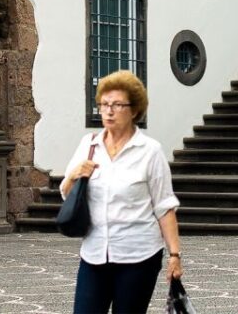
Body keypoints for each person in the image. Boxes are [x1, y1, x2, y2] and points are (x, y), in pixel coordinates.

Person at [61, 70, 183, 313]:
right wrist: (74, 175)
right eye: (104, 104)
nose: (108, 111)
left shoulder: (149, 151)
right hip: (94, 252)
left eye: (117, 105)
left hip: (138, 256)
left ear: (134, 110)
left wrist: (174, 255)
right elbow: (67, 194)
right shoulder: (89, 145)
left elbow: (164, 206)